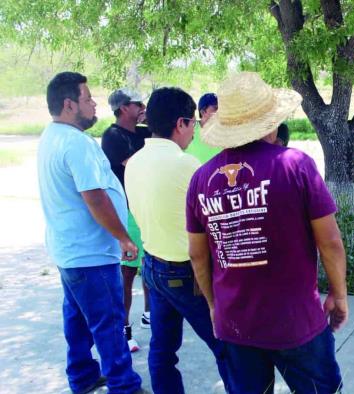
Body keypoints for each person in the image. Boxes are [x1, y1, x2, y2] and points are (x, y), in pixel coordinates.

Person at [186, 72, 348, 393]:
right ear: (270, 123)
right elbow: (329, 241)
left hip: (236, 322)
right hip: (297, 320)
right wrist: (339, 294)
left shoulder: (201, 179)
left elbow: (197, 255)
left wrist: (214, 305)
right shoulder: (295, 165)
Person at [37, 71, 144, 394]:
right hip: (90, 253)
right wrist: (123, 238)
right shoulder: (74, 143)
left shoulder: (51, 136)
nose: (95, 103)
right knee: (108, 322)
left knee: (77, 318)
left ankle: (82, 375)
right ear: (70, 105)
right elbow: (94, 196)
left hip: (70, 250)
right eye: (88, 98)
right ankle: (124, 385)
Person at [124, 87, 232, 393]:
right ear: (181, 123)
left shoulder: (135, 161)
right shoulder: (186, 165)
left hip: (153, 266)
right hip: (187, 272)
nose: (195, 132)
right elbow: (215, 223)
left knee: (162, 350)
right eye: (194, 125)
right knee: (226, 345)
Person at [101, 88, 152, 352]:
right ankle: (124, 328)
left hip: (145, 208)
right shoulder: (112, 136)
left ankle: (148, 315)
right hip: (127, 211)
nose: (142, 107)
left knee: (149, 263)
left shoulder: (143, 132)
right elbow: (136, 163)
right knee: (128, 271)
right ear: (123, 108)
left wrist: (153, 121)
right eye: (138, 103)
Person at [185, 92, 221, 163]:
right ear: (203, 112)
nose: (219, 112)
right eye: (216, 108)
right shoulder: (189, 130)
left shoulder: (226, 133)